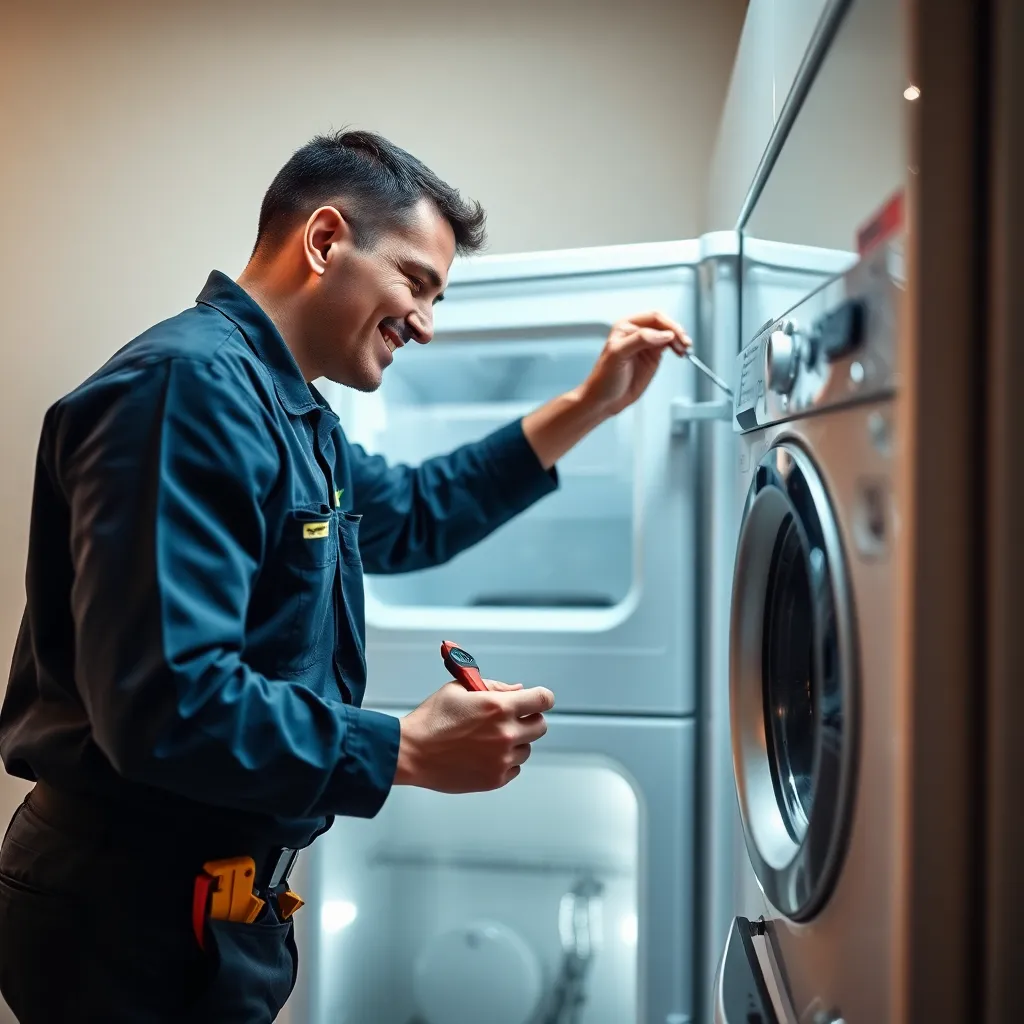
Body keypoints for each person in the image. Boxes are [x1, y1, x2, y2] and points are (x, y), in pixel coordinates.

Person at [0, 129, 691, 1022]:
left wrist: (590, 404)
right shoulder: (183, 391)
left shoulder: (286, 407)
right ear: (325, 241)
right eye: (417, 284)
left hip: (203, 906)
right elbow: (166, 703)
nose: (427, 324)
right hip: (124, 915)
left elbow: (412, 513)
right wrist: (400, 748)